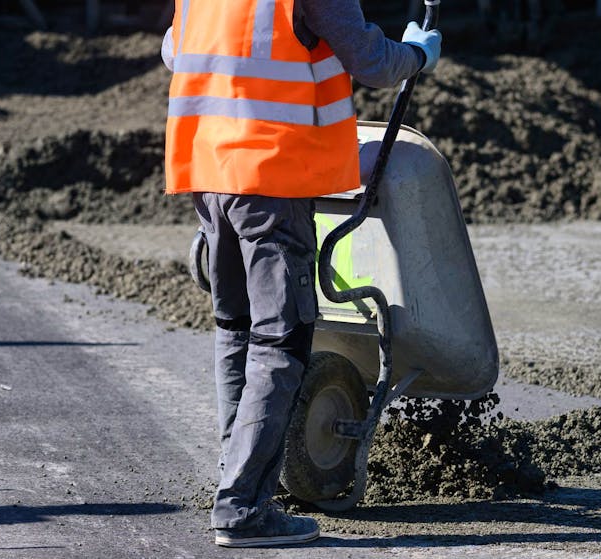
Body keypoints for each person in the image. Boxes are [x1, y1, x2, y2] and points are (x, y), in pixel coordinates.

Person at [161, 0, 441, 549]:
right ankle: (242, 507)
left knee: (236, 328)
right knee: (280, 342)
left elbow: (175, 50)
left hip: (210, 170)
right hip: (271, 174)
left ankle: (235, 474)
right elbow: (371, 61)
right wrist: (418, 54)